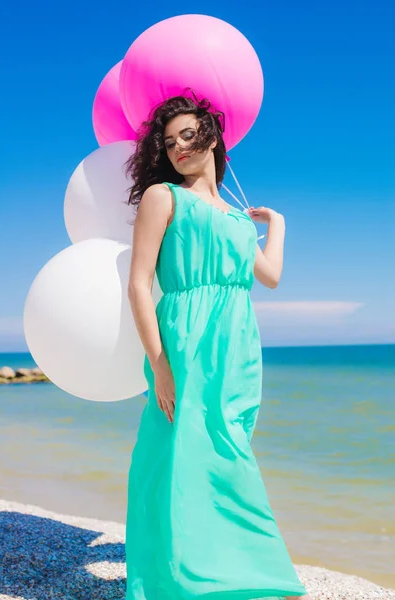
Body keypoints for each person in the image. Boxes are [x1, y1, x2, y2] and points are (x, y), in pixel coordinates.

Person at [124, 90, 312, 600]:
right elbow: (140, 283)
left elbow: (268, 275)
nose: (179, 147)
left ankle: (230, 570)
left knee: (228, 450)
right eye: (169, 142)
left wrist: (278, 225)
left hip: (237, 346)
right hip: (185, 339)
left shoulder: (233, 218)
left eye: (189, 135)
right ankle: (175, 578)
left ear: (213, 137)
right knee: (180, 452)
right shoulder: (165, 197)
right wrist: (159, 364)